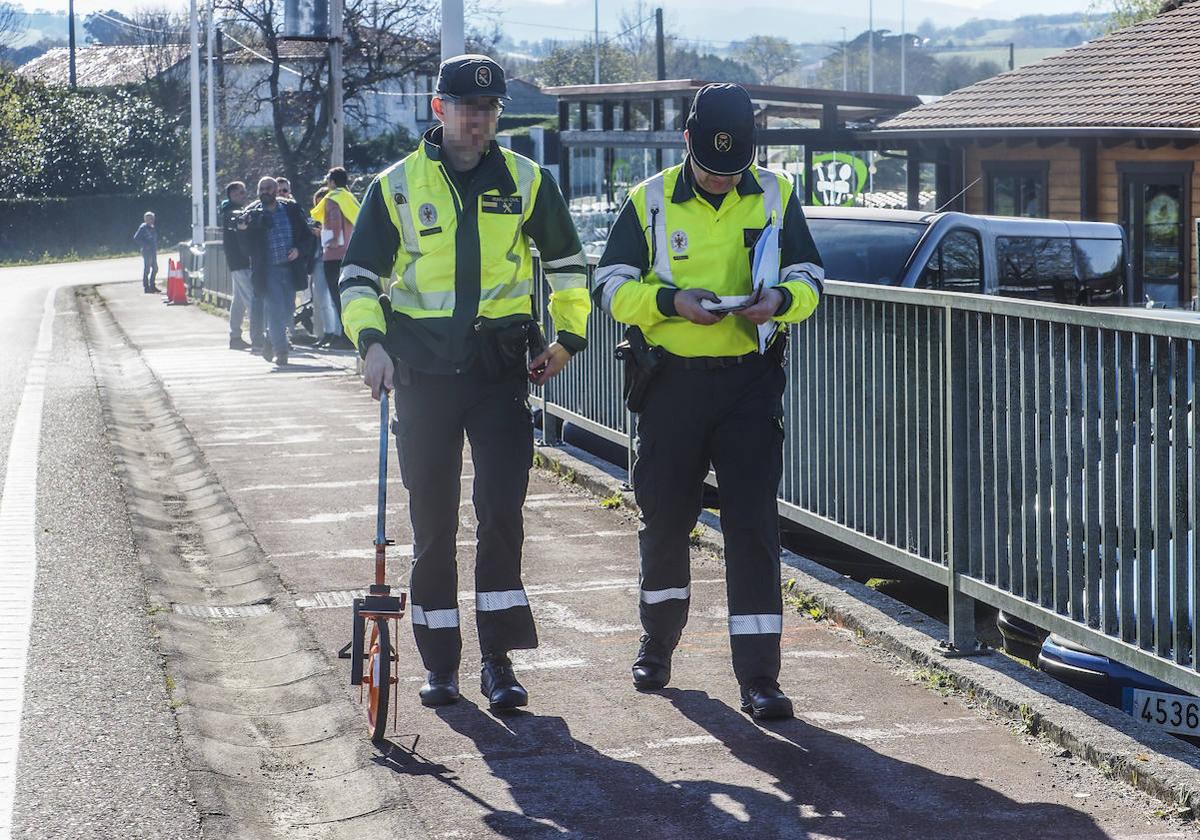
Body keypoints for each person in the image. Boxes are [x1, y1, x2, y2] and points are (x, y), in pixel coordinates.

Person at [339, 54, 590, 711]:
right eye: (465, 107)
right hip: (422, 376)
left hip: (499, 372)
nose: (477, 120)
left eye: (488, 110)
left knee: (501, 516)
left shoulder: (527, 181)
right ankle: (441, 665)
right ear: (438, 108)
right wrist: (370, 346)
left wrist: (568, 340)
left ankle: (499, 664)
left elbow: (568, 265)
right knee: (434, 525)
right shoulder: (395, 186)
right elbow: (359, 278)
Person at [593, 83, 824, 721]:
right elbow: (609, 286)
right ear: (688, 142)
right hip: (671, 384)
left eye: (736, 169)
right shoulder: (650, 200)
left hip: (749, 381)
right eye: (712, 169)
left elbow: (810, 276)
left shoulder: (776, 194)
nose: (723, 181)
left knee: (753, 528)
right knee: (666, 519)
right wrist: (671, 303)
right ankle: (658, 641)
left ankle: (759, 677)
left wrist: (780, 302)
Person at [237, 176, 316, 367]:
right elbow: (246, 249)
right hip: (268, 270)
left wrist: (298, 250)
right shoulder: (252, 214)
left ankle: (270, 340)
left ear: (276, 190)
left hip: (290, 268)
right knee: (274, 310)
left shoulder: (291, 210)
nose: (264, 191)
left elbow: (308, 238)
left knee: (288, 311)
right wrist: (243, 229)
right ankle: (282, 352)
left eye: (268, 188)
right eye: (261, 188)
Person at [310, 166, 358, 350]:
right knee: (347, 296)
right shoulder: (349, 197)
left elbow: (334, 227)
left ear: (331, 181)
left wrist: (321, 234)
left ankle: (345, 336)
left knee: (337, 297)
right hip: (349, 251)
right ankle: (346, 335)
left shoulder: (332, 200)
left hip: (334, 254)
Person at [220, 181, 263, 351]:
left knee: (239, 301)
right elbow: (236, 220)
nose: (242, 195)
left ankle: (235, 336)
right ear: (230, 195)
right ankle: (257, 337)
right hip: (241, 262)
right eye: (238, 193)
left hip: (237, 261)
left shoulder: (231, 212)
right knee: (252, 299)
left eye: (244, 192)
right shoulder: (231, 213)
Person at [308, 186, 341, 347]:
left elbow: (336, 240)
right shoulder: (314, 220)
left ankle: (338, 333)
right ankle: (328, 332)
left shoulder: (336, 218)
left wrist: (322, 234)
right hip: (318, 261)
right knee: (322, 300)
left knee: (335, 299)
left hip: (333, 260)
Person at [133, 212, 159, 293]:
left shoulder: (152, 227)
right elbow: (136, 238)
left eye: (152, 218)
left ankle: (152, 285)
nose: (151, 220)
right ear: (145, 219)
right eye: (148, 219)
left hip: (153, 250)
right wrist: (145, 245)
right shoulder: (143, 227)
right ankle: (146, 287)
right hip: (146, 251)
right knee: (147, 268)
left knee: (155, 268)